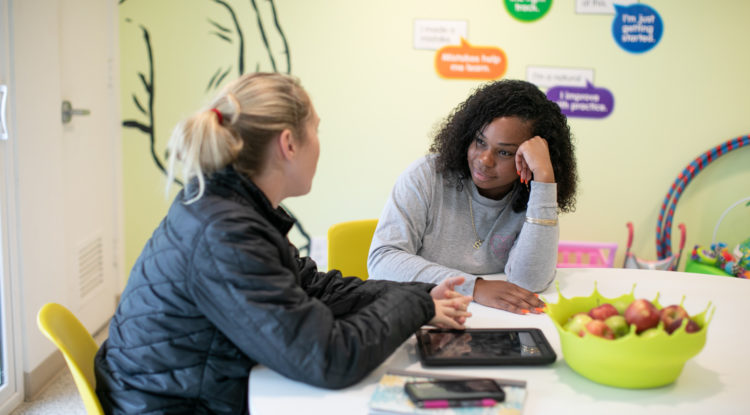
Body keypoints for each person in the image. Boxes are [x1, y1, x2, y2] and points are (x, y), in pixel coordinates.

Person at [94, 73, 472, 414]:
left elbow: (311, 286)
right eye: (317, 130)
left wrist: (422, 295)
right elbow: (329, 359)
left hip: (164, 391)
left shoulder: (228, 206)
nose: (320, 145)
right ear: (289, 144)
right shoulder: (224, 233)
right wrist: (414, 303)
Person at [368, 79, 577, 315]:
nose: (484, 160)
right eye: (479, 141)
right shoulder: (426, 176)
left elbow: (531, 282)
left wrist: (545, 179)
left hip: (489, 319)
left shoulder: (532, 193)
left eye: (505, 152)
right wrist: (474, 287)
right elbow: (382, 261)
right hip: (417, 311)